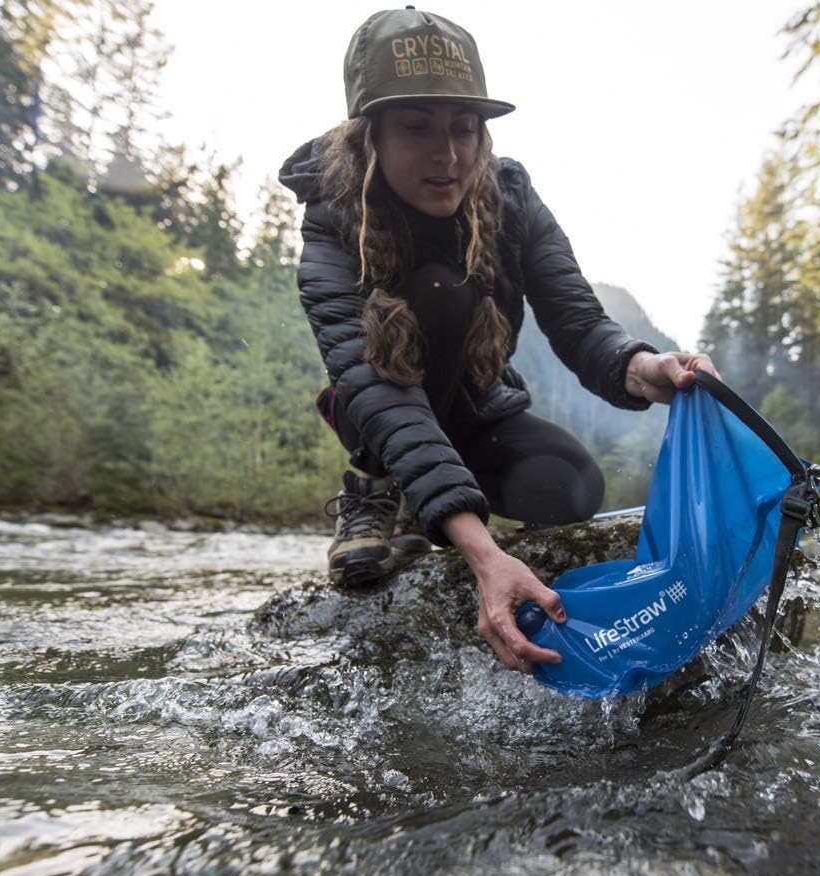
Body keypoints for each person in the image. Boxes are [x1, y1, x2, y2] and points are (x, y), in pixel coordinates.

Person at [279, 7, 716, 673]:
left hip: (477, 413)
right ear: (370, 135)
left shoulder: (510, 198)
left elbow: (579, 321)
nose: (447, 155)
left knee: (572, 486)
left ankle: (434, 509)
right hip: (382, 414)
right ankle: (375, 488)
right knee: (441, 291)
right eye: (417, 127)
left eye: (464, 127)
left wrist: (644, 367)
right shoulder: (331, 228)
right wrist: (484, 556)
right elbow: (378, 388)